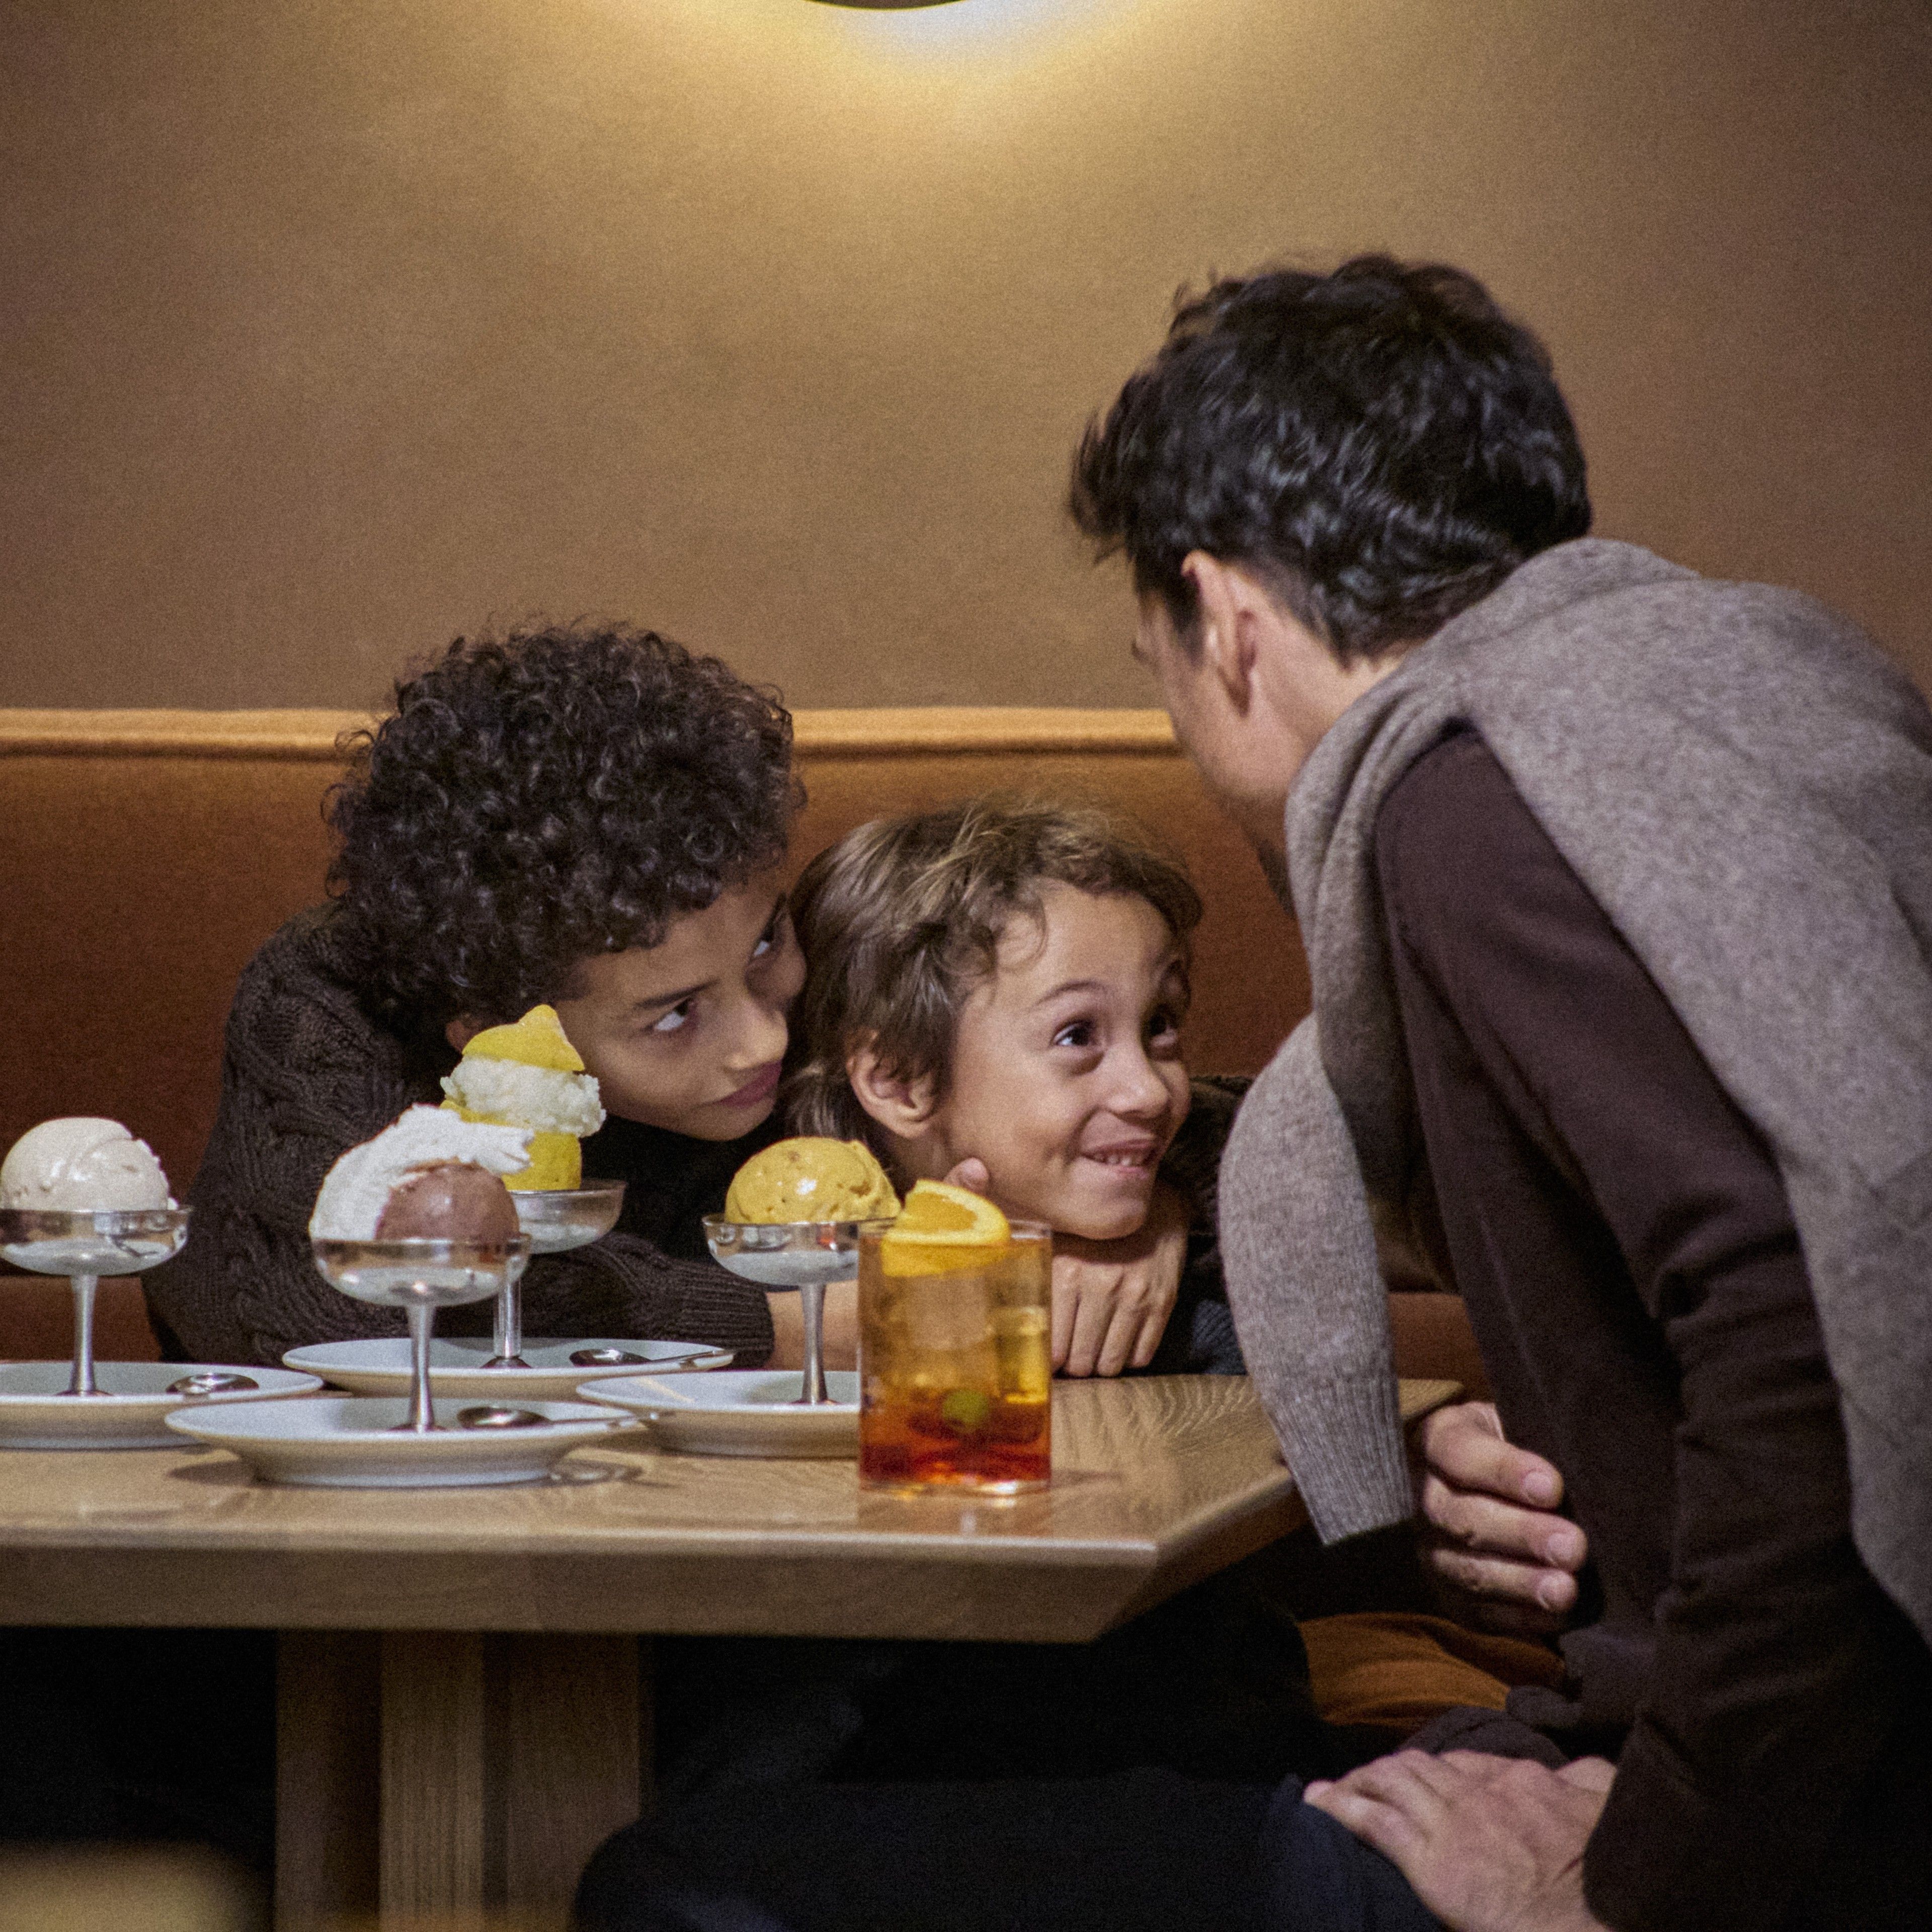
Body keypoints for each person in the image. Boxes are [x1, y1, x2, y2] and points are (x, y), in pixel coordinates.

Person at [1068, 255, 1932, 1927]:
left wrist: (1637, 1885)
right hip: (1750, 1758)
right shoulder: (1740, 698)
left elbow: (1828, 1332)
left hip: (1796, 1831)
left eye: (1154, 660)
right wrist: (1499, 1460)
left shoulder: (1476, 812)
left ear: (1225, 623)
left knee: (680, 1879)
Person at [783, 794, 1243, 1375]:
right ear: (899, 1081)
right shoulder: (754, 1276)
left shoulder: (1201, 1324)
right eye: (1077, 1036)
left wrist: (1164, 1219)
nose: (1149, 1092)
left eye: (1159, 1025)